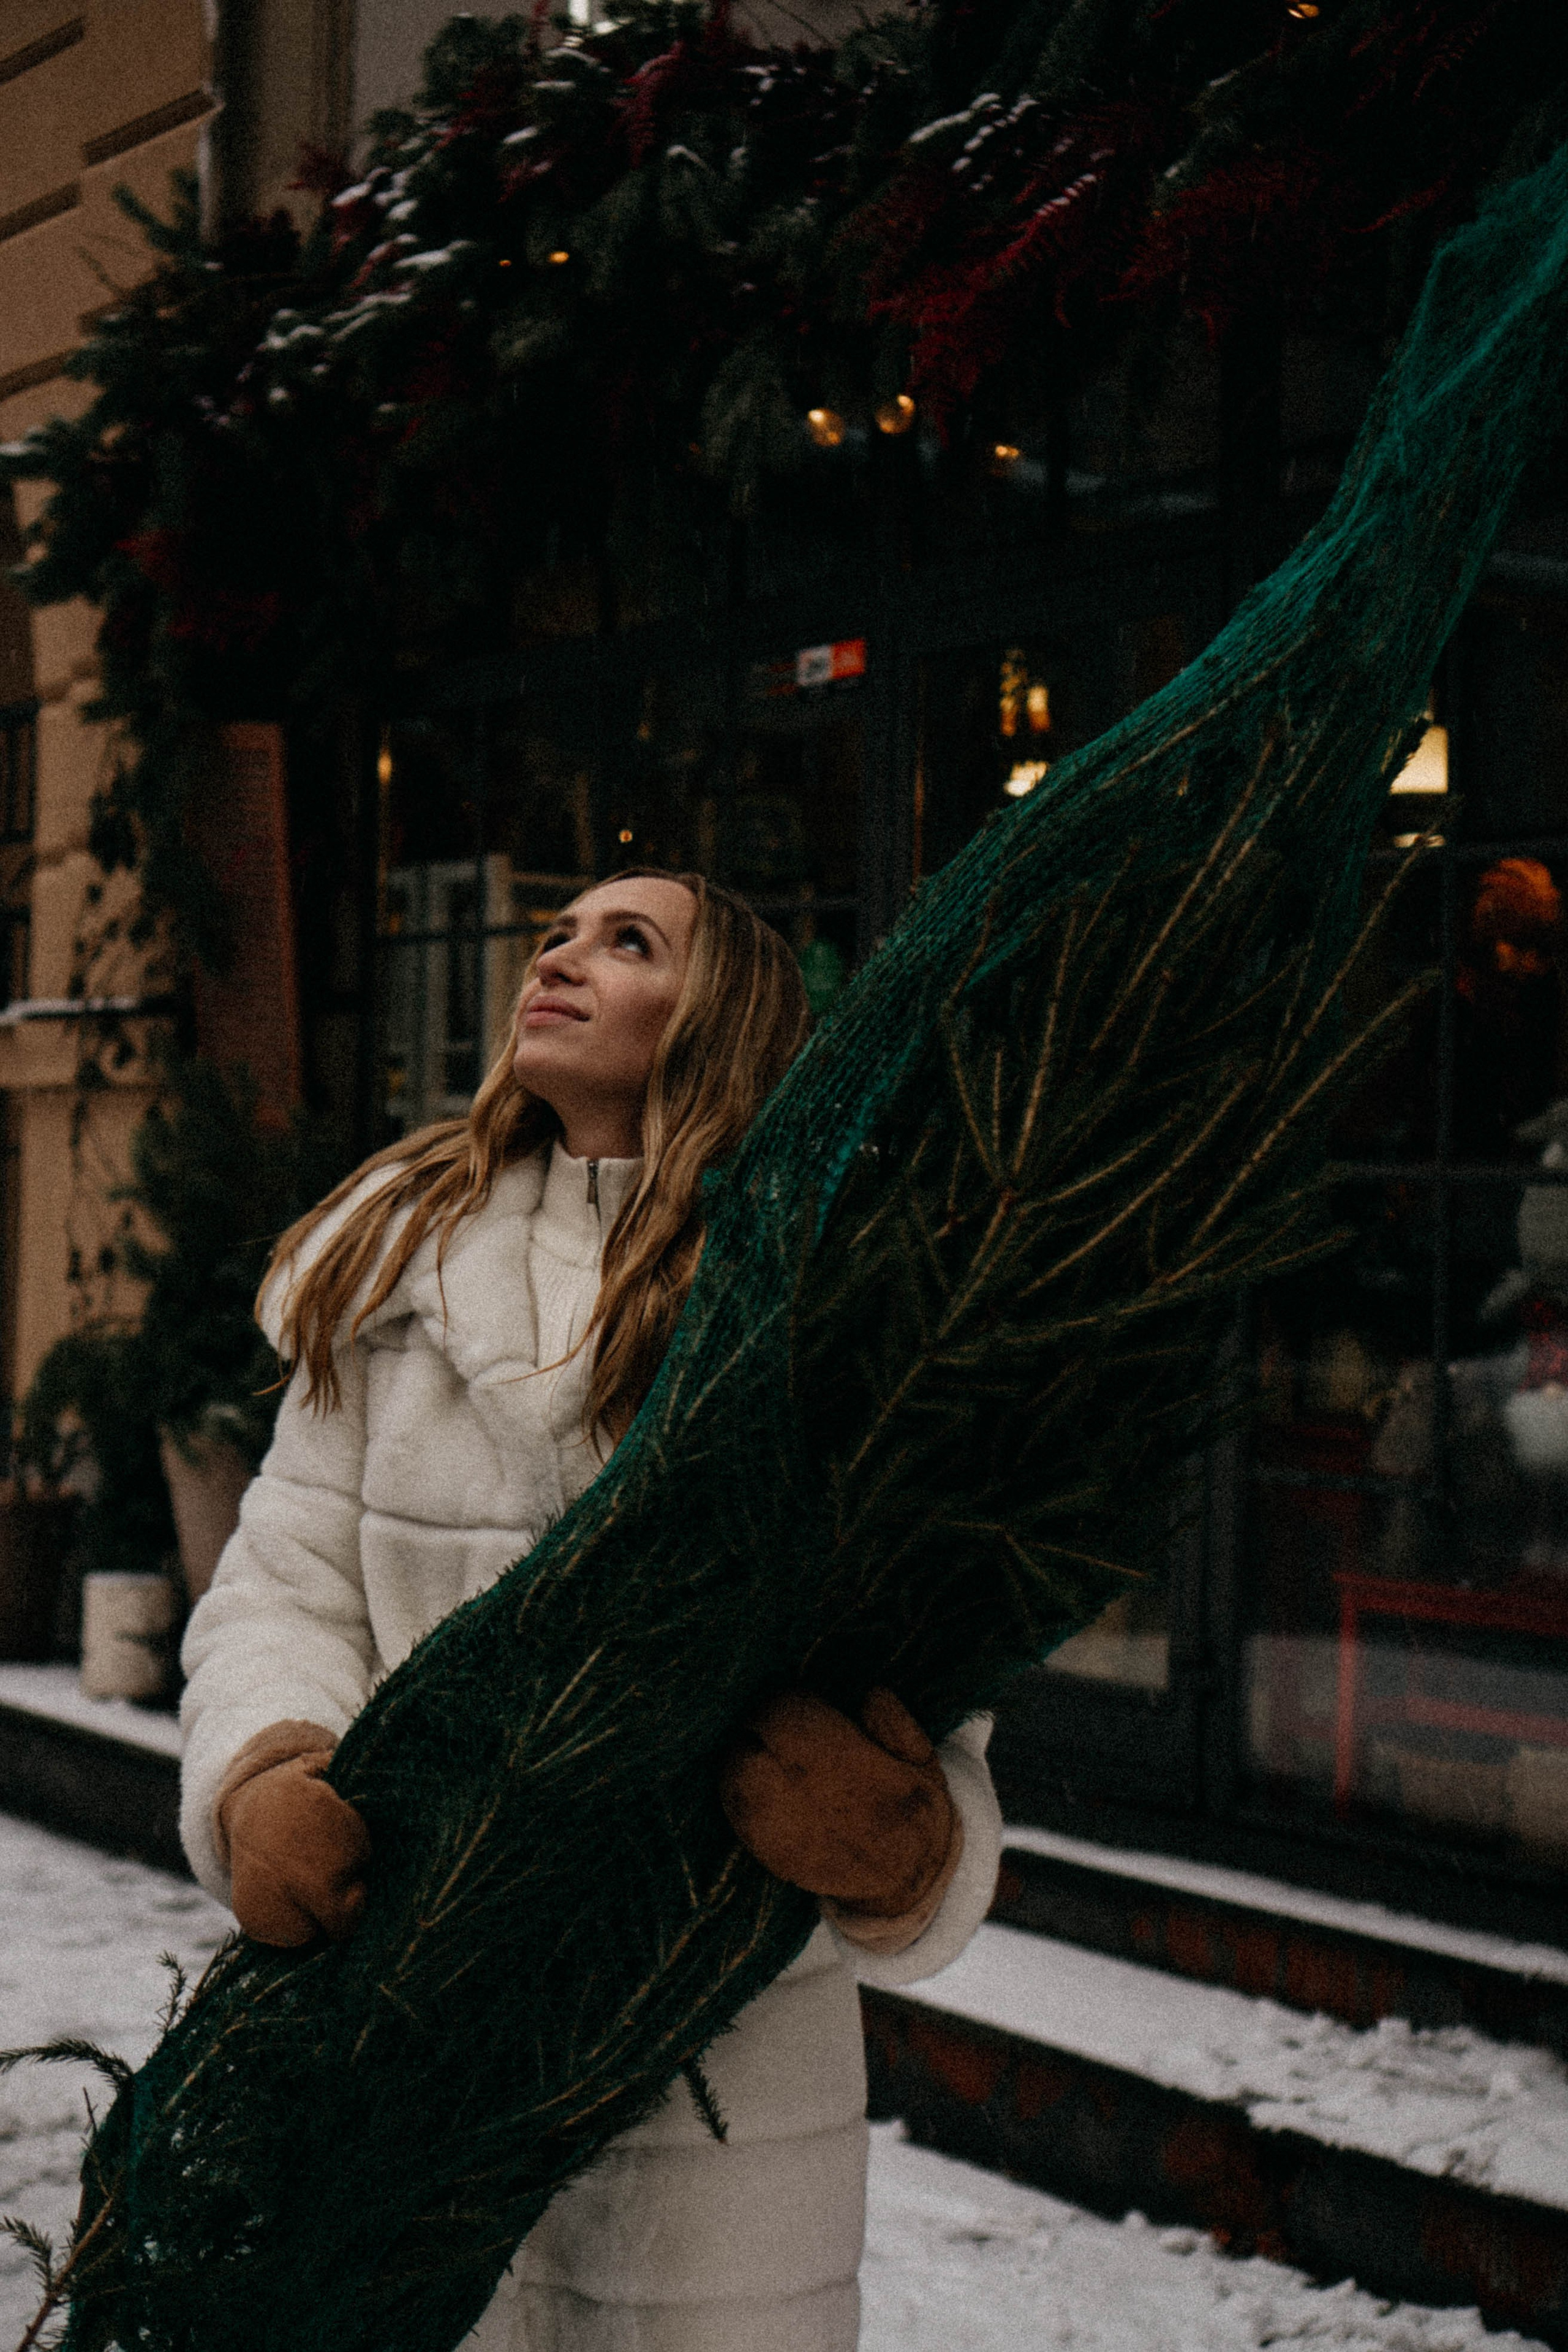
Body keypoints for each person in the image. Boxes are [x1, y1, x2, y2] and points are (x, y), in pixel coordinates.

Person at [179, 869, 1003, 2352]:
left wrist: (902, 1847)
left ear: (722, 1016)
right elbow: (284, 1585)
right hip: (415, 2008)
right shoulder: (399, 1263)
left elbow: (932, 1672)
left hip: (727, 2069)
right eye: (556, 933)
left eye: (629, 944)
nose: (557, 957)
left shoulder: (822, 1305)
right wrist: (265, 1776)